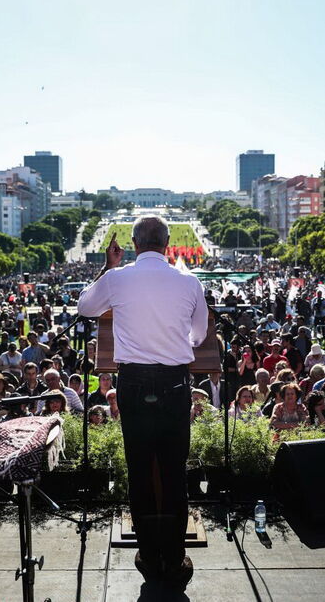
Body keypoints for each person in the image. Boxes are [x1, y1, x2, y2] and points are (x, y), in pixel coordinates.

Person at [77, 216, 207, 590]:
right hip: (174, 382)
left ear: (134, 243)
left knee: (139, 470)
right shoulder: (189, 281)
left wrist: (108, 267)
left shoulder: (118, 278)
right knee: (173, 471)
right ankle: (174, 555)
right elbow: (198, 337)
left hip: (133, 382)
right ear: (167, 243)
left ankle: (150, 557)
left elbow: (86, 307)